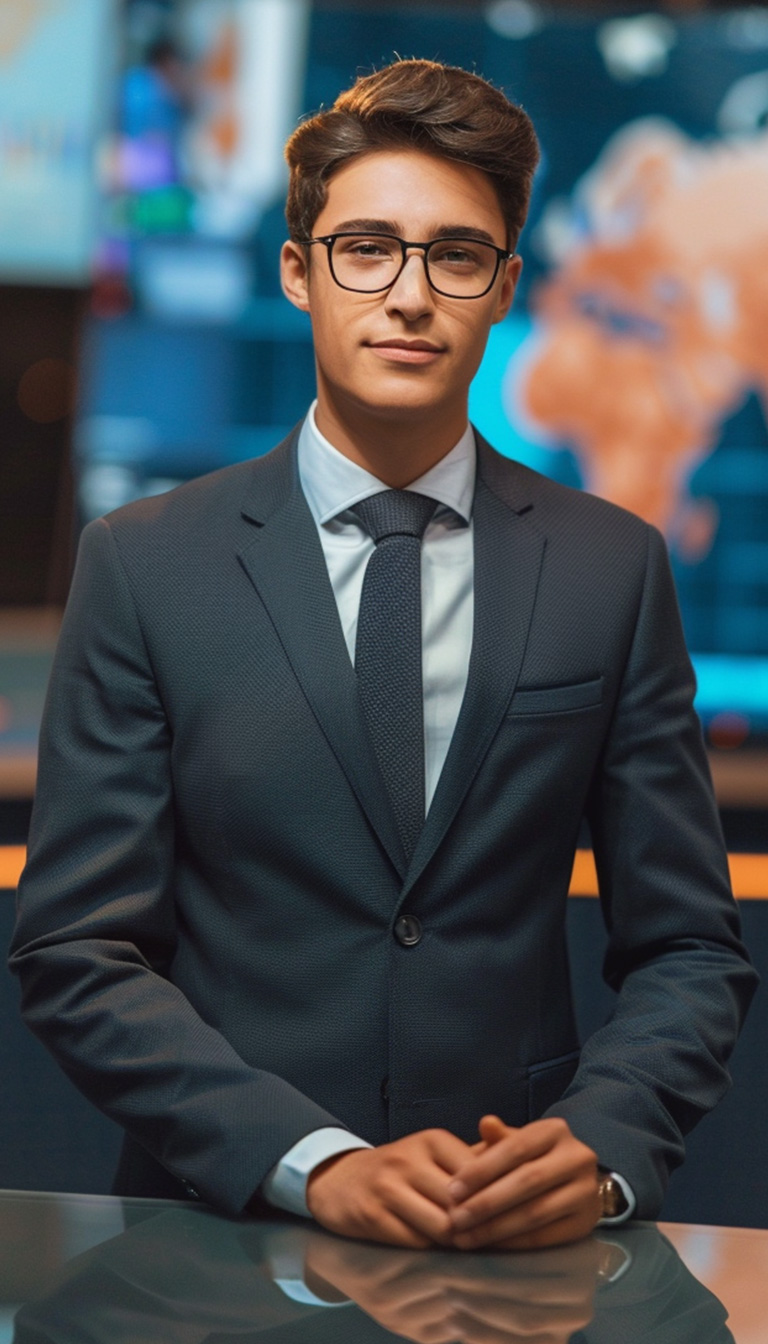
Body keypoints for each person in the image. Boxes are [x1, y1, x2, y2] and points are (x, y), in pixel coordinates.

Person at [10, 59, 757, 1253]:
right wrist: (310, 1165)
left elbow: (687, 947)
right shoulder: (145, 562)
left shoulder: (611, 567)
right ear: (299, 272)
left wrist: (607, 1146)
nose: (410, 294)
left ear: (505, 287)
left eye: (455, 255)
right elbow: (77, 949)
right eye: (367, 247)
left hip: (510, 1247)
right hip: (209, 1243)